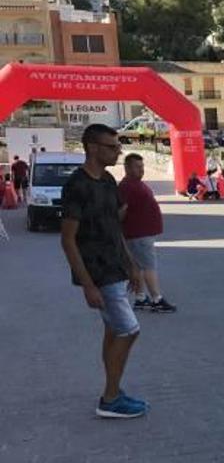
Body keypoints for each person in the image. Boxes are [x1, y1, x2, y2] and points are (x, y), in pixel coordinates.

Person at [60, 123, 148, 419]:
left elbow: (114, 226)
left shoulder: (109, 181)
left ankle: (113, 390)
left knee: (114, 330)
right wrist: (87, 284)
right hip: (99, 273)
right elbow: (68, 239)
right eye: (112, 147)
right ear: (93, 148)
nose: (118, 151)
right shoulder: (77, 185)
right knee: (129, 329)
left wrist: (132, 264)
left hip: (117, 267)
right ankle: (110, 398)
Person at [118, 153, 177, 313]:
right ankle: (156, 299)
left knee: (137, 266)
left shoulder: (135, 184)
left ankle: (140, 298)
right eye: (137, 167)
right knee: (149, 266)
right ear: (127, 168)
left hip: (140, 233)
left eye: (142, 166)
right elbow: (121, 210)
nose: (141, 170)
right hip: (138, 234)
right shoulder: (127, 186)